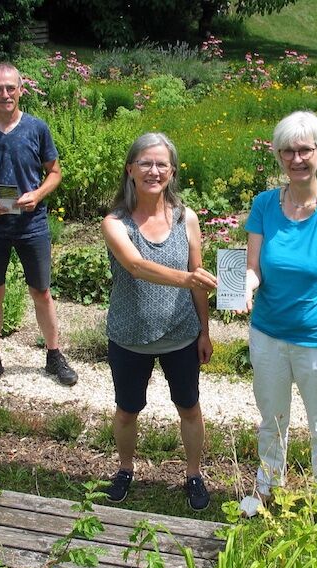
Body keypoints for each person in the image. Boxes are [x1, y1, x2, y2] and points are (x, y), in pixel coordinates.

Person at [241, 111, 317, 535]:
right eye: (288, 151)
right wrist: (245, 287)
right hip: (268, 335)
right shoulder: (264, 206)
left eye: (305, 150)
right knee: (271, 419)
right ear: (278, 155)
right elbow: (253, 267)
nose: (297, 159)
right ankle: (268, 487)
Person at [101, 132, 217, 510]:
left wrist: (204, 331)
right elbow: (136, 265)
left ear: (172, 171)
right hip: (129, 336)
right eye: (146, 163)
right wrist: (188, 279)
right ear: (130, 169)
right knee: (127, 410)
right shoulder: (115, 222)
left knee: (189, 407)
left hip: (181, 335)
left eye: (161, 164)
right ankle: (125, 468)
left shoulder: (187, 219)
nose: (154, 171)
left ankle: (194, 473)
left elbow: (197, 278)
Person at [0, 62, 78, 391]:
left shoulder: (37, 128)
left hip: (31, 224)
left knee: (42, 292)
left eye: (10, 87)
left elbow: (55, 172)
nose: (5, 94)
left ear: (21, 90)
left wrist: (37, 195)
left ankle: (54, 355)